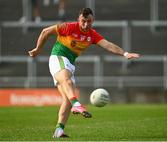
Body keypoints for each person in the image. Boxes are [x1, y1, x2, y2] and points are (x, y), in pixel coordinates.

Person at [28, 8, 140, 138]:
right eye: (83, 21)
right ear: (78, 20)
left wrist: (125, 53)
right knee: (67, 81)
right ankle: (77, 104)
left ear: (93, 21)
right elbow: (45, 31)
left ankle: (59, 131)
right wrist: (37, 50)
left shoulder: (92, 35)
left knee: (66, 99)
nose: (86, 24)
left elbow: (108, 45)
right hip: (58, 58)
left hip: (69, 63)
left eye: (89, 21)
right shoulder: (68, 27)